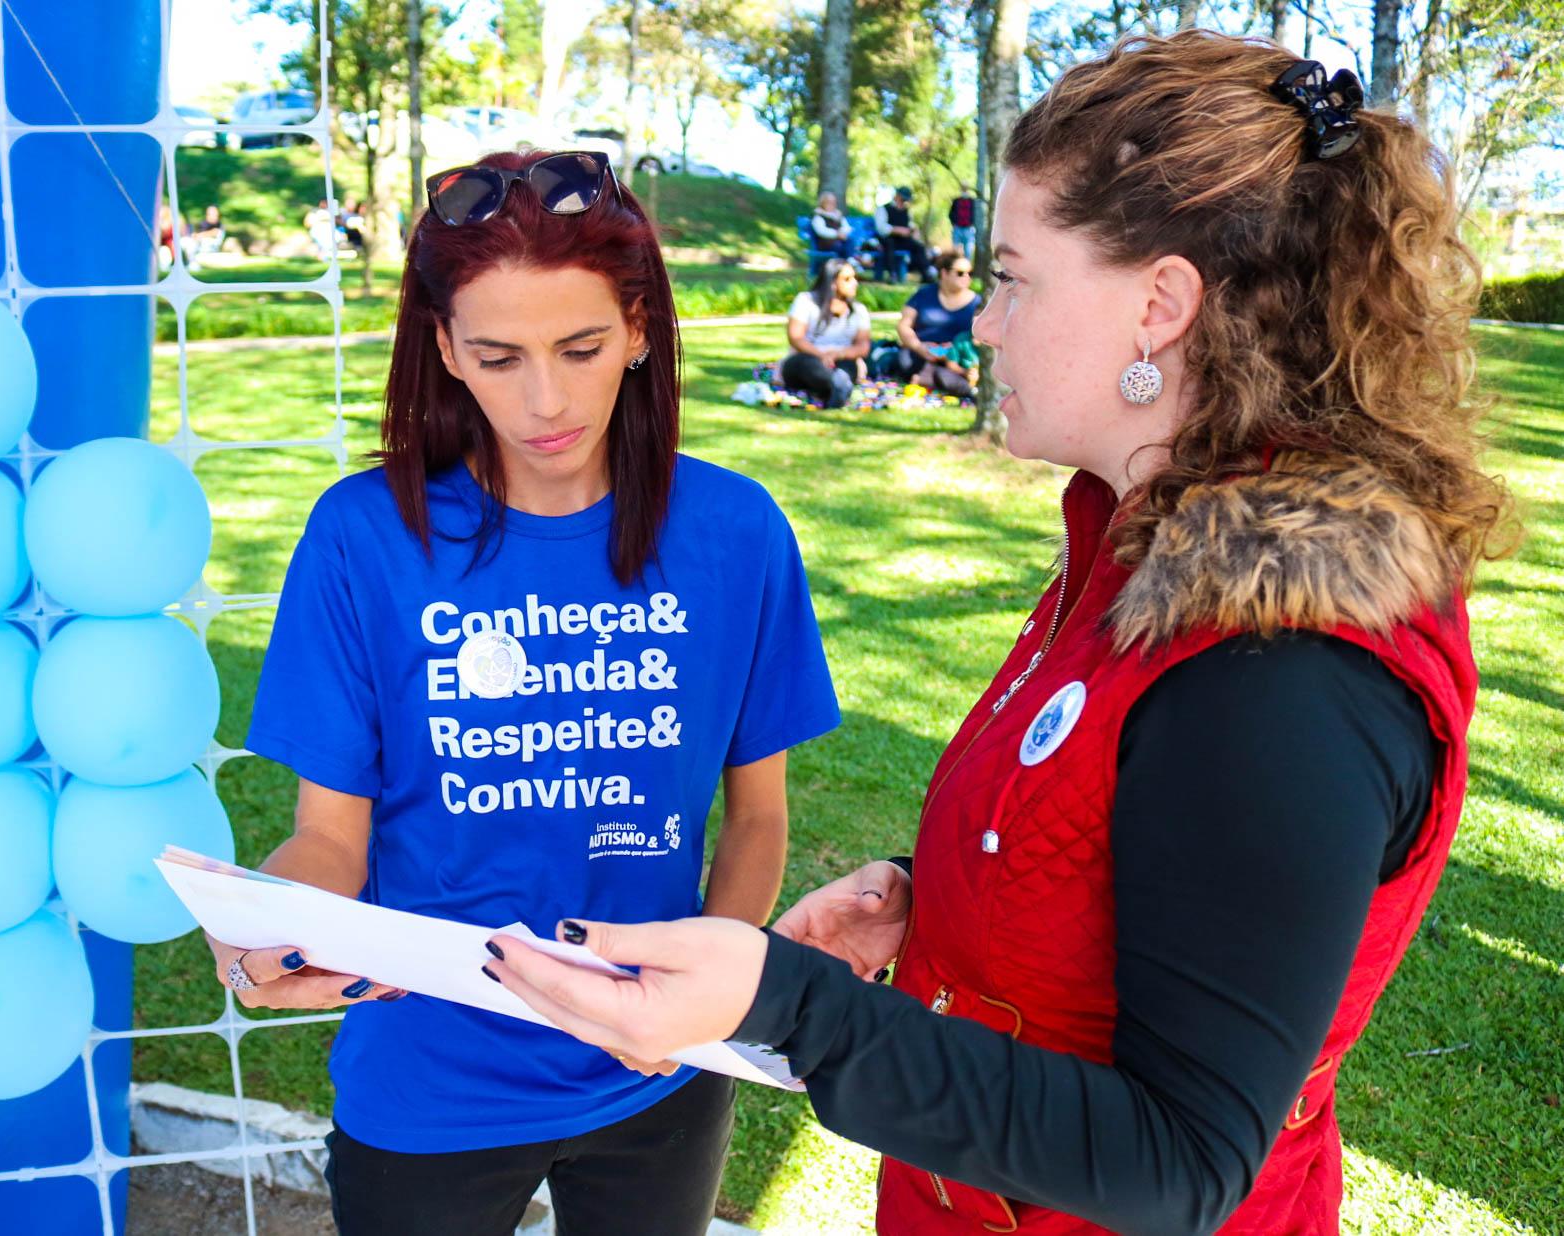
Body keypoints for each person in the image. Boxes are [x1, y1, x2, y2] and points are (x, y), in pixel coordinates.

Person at [485, 33, 1508, 1236]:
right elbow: (1138, 862)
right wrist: (938, 901)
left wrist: (791, 1006)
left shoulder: (1280, 665)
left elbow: (1181, 1159)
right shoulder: (1136, 553)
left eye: (1015, 278)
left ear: (1159, 306)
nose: (984, 326)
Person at [206, 148, 840, 1236]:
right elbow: (328, 842)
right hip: (430, 1082)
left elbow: (759, 816)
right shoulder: (365, 538)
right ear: (446, 349)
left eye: (581, 347)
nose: (545, 400)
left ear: (640, 329)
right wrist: (269, 926)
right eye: (498, 357)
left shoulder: (737, 534)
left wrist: (700, 1013)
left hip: (658, 1076)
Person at [782, 258, 872, 409]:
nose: (855, 283)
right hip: (808, 357)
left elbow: (863, 346)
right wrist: (821, 355)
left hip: (842, 359)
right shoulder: (806, 301)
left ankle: (837, 386)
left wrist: (838, 354)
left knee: (846, 368)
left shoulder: (858, 310)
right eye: (847, 279)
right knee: (809, 366)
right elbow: (795, 338)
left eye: (854, 278)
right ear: (832, 282)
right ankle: (836, 386)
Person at [895, 249, 981, 396]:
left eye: (970, 273)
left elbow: (979, 339)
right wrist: (919, 347)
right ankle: (934, 376)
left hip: (958, 358)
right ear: (944, 273)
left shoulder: (977, 303)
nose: (966, 277)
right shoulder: (924, 294)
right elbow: (904, 325)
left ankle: (929, 377)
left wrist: (952, 352)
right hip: (922, 352)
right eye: (960, 273)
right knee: (904, 362)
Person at [874, 187, 929, 282]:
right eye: (903, 199)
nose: (903, 202)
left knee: (919, 247)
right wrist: (897, 230)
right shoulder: (883, 209)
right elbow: (881, 228)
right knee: (889, 244)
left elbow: (910, 224)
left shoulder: (907, 211)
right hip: (888, 240)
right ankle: (893, 274)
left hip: (903, 240)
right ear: (897, 196)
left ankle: (926, 274)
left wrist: (914, 230)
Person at [809, 191, 855, 261]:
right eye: (829, 202)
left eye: (833, 202)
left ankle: (850, 262)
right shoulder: (818, 216)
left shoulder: (838, 215)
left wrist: (842, 232)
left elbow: (847, 227)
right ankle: (849, 263)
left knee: (849, 241)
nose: (832, 204)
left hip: (840, 240)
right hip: (826, 243)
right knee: (839, 246)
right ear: (822, 203)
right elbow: (821, 231)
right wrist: (836, 234)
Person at [948, 192, 977, 256]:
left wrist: (973, 224)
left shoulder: (972, 201)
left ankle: (967, 265)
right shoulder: (956, 201)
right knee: (956, 252)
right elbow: (950, 214)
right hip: (957, 229)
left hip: (969, 229)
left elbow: (976, 214)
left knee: (968, 252)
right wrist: (954, 223)